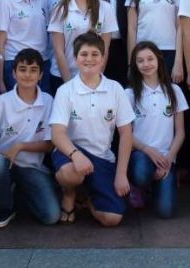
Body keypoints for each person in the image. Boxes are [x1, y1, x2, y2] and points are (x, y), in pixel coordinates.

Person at [50, 32, 135, 227]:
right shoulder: (66, 90)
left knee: (112, 219)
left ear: (103, 58)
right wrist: (75, 154)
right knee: (72, 173)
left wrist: (121, 174)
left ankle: (87, 197)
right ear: (75, 58)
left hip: (102, 158)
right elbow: (57, 133)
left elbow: (126, 133)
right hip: (72, 154)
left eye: (95, 54)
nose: (89, 59)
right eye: (84, 54)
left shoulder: (115, 89)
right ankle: (70, 193)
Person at [0, 49, 60, 228]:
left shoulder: (48, 101)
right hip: (1, 164)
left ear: (41, 75)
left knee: (51, 216)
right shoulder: (2, 103)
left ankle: (20, 192)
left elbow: (49, 144)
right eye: (22, 69)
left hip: (31, 167)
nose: (27, 74)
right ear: (14, 73)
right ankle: (5, 208)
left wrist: (21, 146)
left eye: (33, 70)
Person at [126, 42, 188, 218]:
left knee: (166, 212)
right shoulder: (129, 94)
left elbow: (181, 132)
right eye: (140, 61)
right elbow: (126, 134)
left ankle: (159, 184)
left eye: (150, 59)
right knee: (140, 173)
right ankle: (139, 186)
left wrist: (168, 158)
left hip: (166, 157)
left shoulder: (174, 91)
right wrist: (148, 150)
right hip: (141, 155)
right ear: (135, 65)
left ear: (159, 60)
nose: (146, 64)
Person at [47, 0, 118, 90]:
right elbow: (58, 51)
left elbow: (105, 50)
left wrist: (97, 77)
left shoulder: (106, 8)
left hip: (93, 77)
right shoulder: (59, 10)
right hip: (63, 77)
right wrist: (69, 84)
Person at [0, 0, 49, 93]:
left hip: (42, 62)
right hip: (16, 62)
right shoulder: (6, 1)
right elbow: (1, 37)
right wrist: (0, 78)